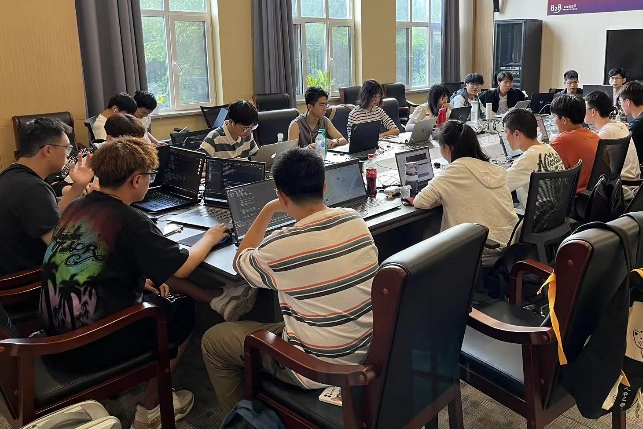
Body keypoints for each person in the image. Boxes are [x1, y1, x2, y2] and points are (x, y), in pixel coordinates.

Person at [38, 138, 231, 429]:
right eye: (150, 176)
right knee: (182, 311)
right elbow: (183, 267)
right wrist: (210, 237)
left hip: (55, 330)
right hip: (86, 344)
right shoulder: (129, 220)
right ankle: (151, 410)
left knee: (160, 289)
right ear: (137, 180)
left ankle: (210, 297)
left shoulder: (77, 205)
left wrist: (138, 280)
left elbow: (94, 261)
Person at [201, 148, 378, 414]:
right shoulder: (355, 221)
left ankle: (242, 421)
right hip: (366, 351)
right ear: (325, 186)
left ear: (281, 196)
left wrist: (267, 210)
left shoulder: (281, 245)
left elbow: (240, 262)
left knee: (214, 341)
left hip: (316, 369)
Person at [413, 120, 517, 267]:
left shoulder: (452, 172)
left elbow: (420, 202)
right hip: (509, 246)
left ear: (448, 148)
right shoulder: (492, 169)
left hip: (481, 251)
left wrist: (443, 197)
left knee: (429, 230)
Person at [0, 118, 93, 275]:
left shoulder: (11, 174)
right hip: (26, 280)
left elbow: (49, 216)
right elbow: (63, 250)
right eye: (67, 148)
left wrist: (78, 186)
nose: (69, 154)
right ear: (48, 150)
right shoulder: (33, 189)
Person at [503, 109, 565, 211]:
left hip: (534, 217)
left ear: (517, 134)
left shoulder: (528, 159)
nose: (505, 137)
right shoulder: (549, 149)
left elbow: (499, 186)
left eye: (505, 131)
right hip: (555, 214)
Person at [584, 91, 641, 195]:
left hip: (620, 188)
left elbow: (592, 163)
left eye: (585, 109)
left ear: (593, 111)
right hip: (631, 182)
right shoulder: (619, 125)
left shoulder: (607, 132)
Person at [549, 95, 600, 192]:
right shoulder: (595, 136)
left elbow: (548, 176)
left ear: (564, 120)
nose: (553, 121)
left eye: (554, 117)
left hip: (574, 195)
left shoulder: (561, 142)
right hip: (595, 194)